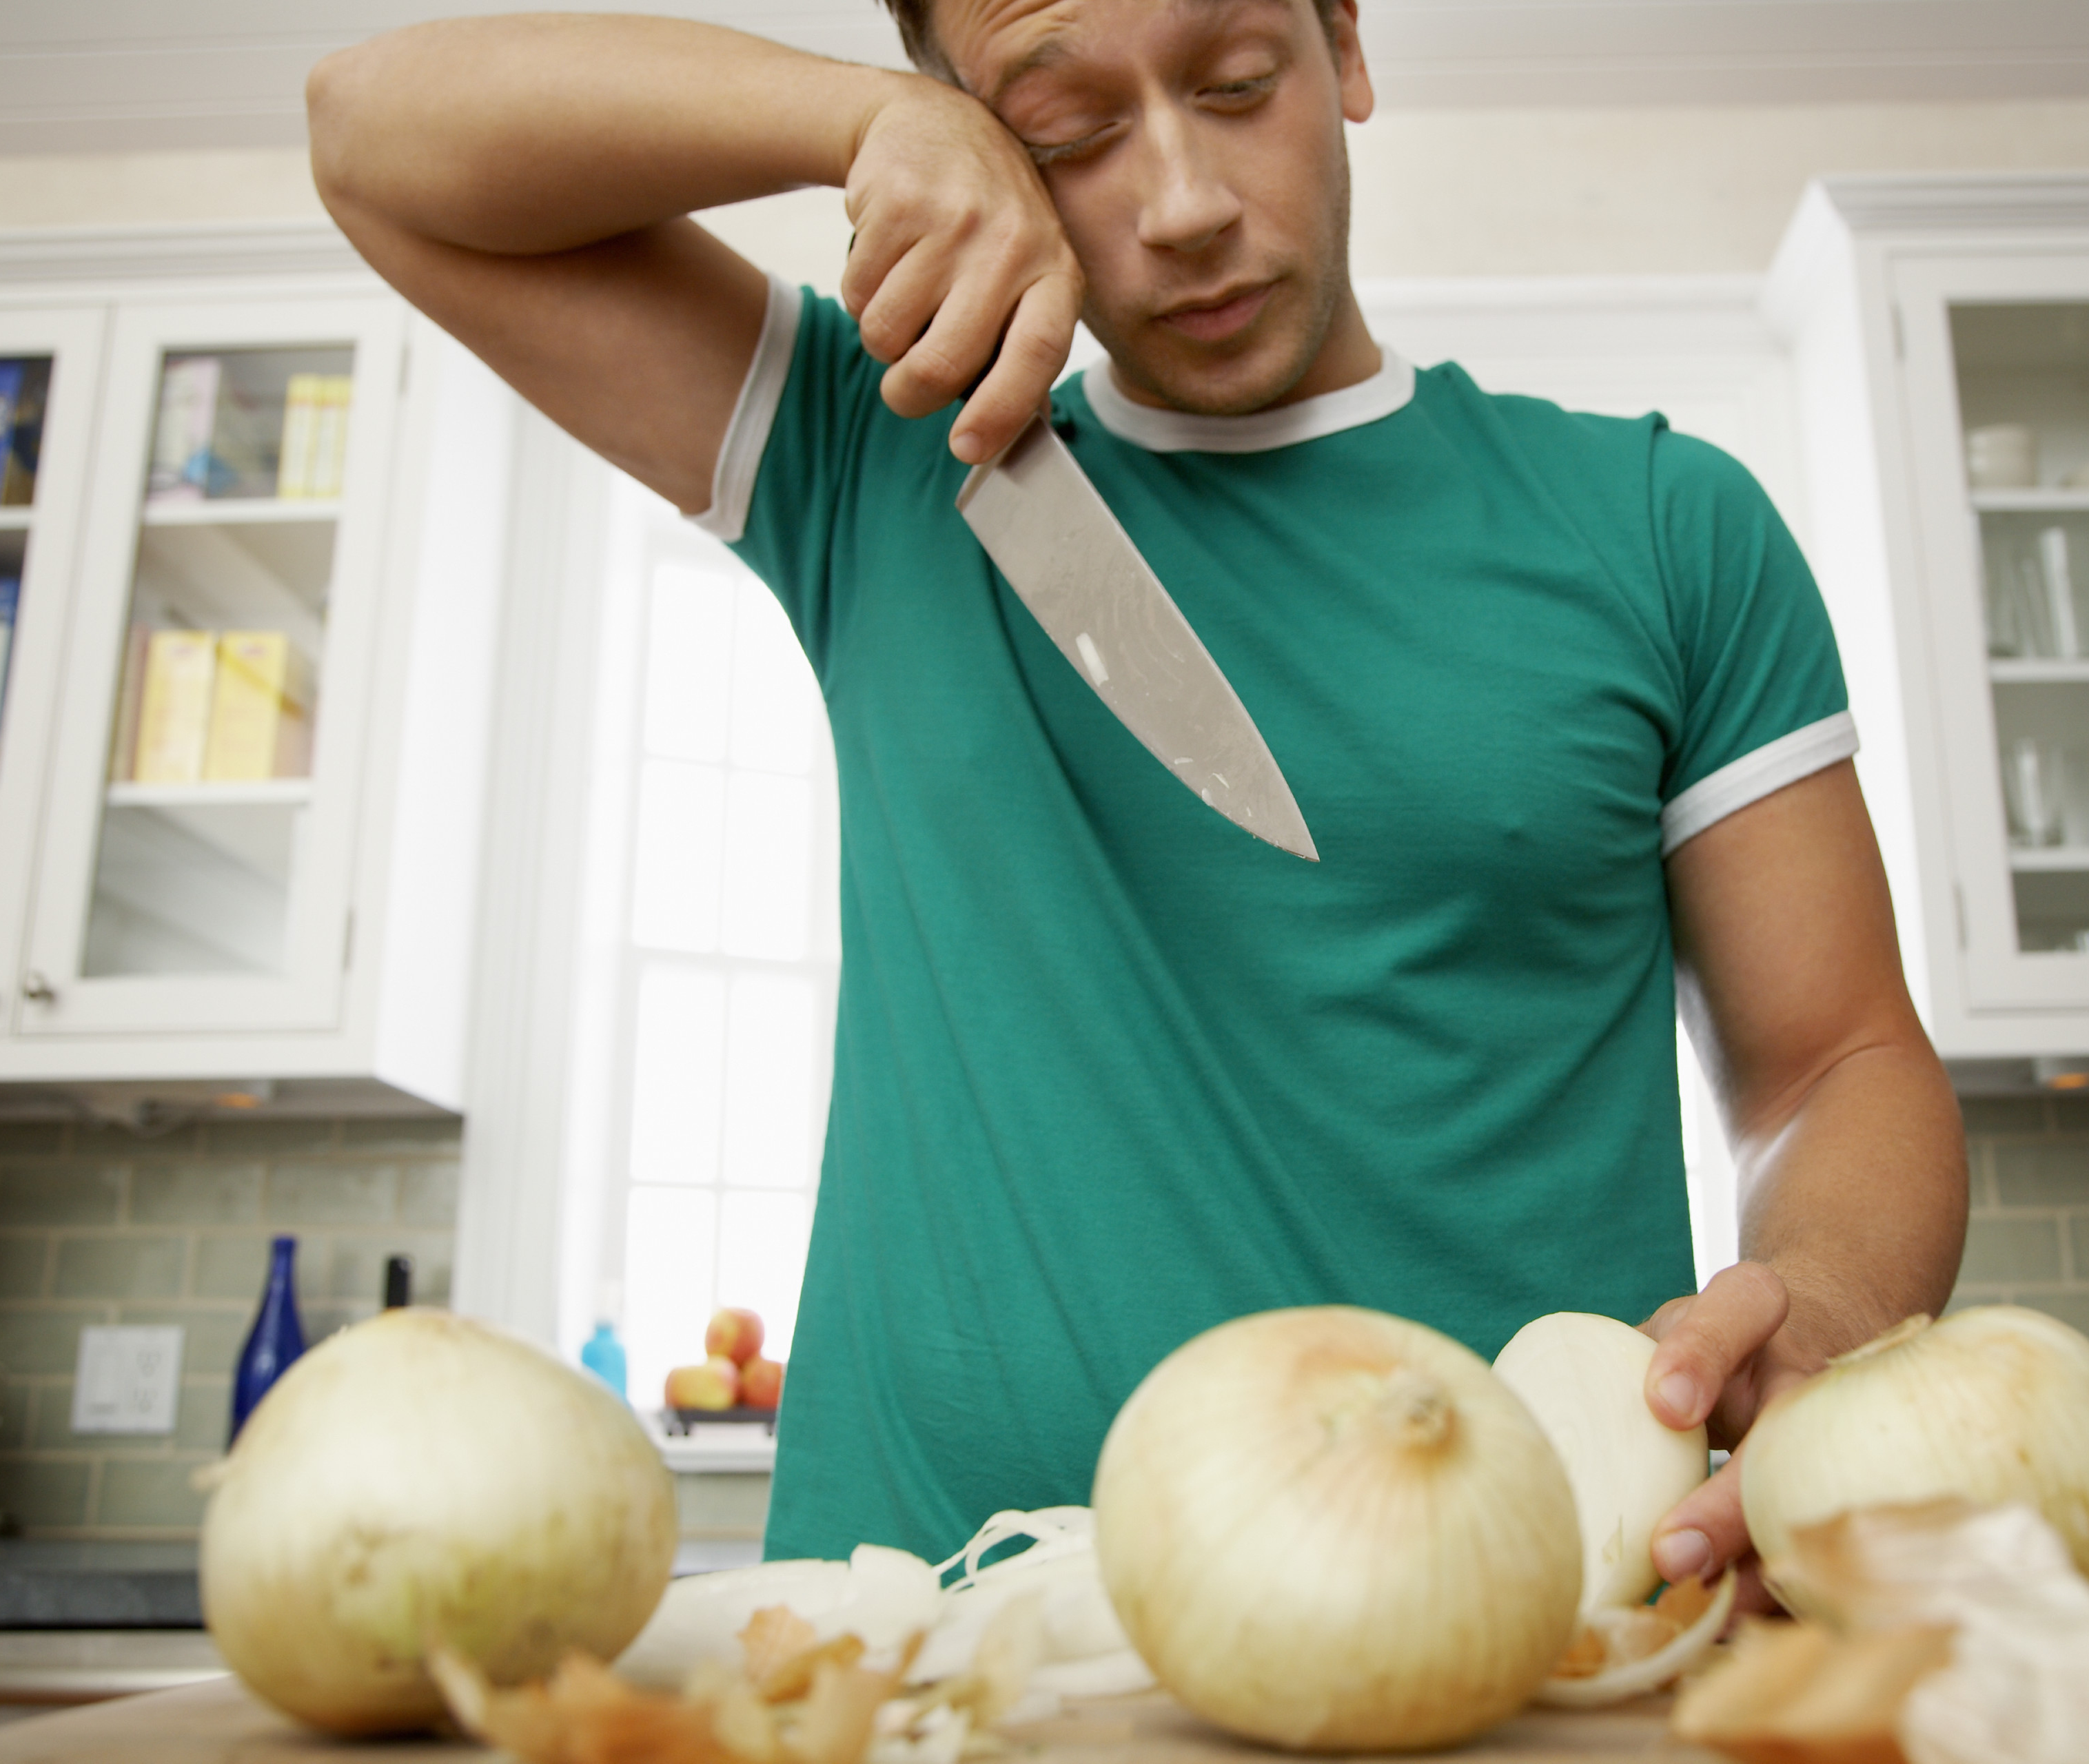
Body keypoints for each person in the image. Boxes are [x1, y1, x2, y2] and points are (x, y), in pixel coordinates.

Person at [307, 0, 1967, 1601]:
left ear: (1349, 45)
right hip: (926, 1624)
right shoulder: (887, 460)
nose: (1181, 205)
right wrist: (864, 123)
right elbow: (373, 135)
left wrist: (1823, 1300)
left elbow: (1837, 1058)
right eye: (1066, 130)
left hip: (1520, 1618)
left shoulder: (1664, 525)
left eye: (1237, 81)